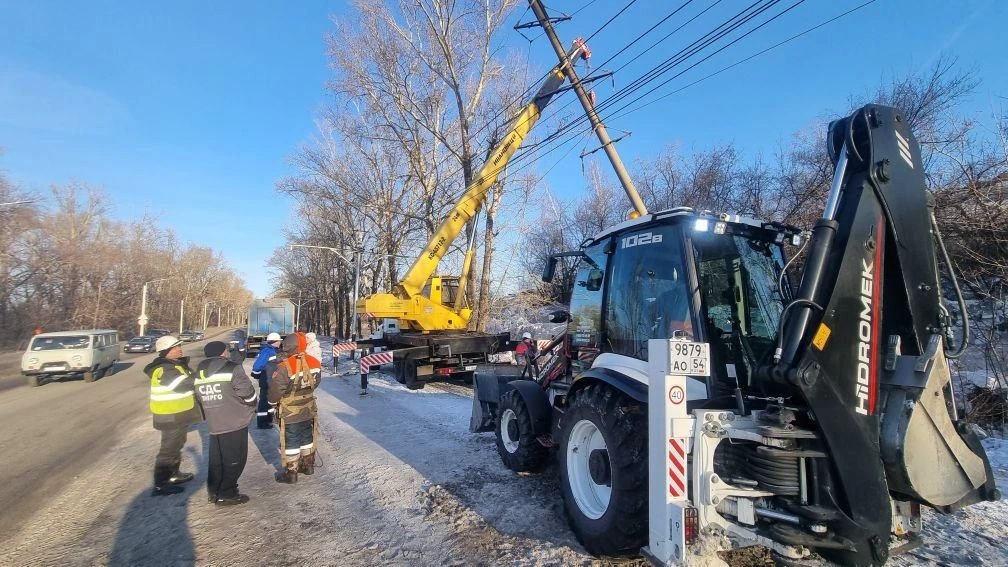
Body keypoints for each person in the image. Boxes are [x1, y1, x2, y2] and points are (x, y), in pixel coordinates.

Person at [195, 341, 257, 506]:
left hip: (214, 421)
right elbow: (248, 394)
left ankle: (214, 490)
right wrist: (251, 406)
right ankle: (227, 493)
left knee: (217, 459)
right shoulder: (232, 367)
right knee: (235, 459)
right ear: (223, 352)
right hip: (235, 419)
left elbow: (198, 396)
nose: (228, 353)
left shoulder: (199, 370)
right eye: (227, 350)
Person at [144, 335, 203, 496]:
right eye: (176, 347)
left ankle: (173, 474)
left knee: (177, 445)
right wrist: (201, 376)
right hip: (169, 415)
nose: (180, 349)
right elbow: (183, 385)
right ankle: (161, 483)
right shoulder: (164, 369)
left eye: (179, 346)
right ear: (166, 351)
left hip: (178, 413)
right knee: (168, 449)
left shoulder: (175, 365)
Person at [268, 333, 322, 484]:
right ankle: (308, 465)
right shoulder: (315, 362)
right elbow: (316, 383)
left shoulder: (284, 366)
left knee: (291, 439)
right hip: (309, 408)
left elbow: (276, 390)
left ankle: (291, 472)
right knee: (307, 436)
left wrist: (272, 403)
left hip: (290, 410)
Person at [250, 332, 282, 429]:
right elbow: (257, 366)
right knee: (264, 402)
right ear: (275, 342)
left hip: (273, 382)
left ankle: (269, 420)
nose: (280, 342)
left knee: (271, 401)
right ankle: (262, 423)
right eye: (279, 341)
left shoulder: (275, 350)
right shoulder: (267, 351)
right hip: (267, 381)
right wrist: (256, 374)